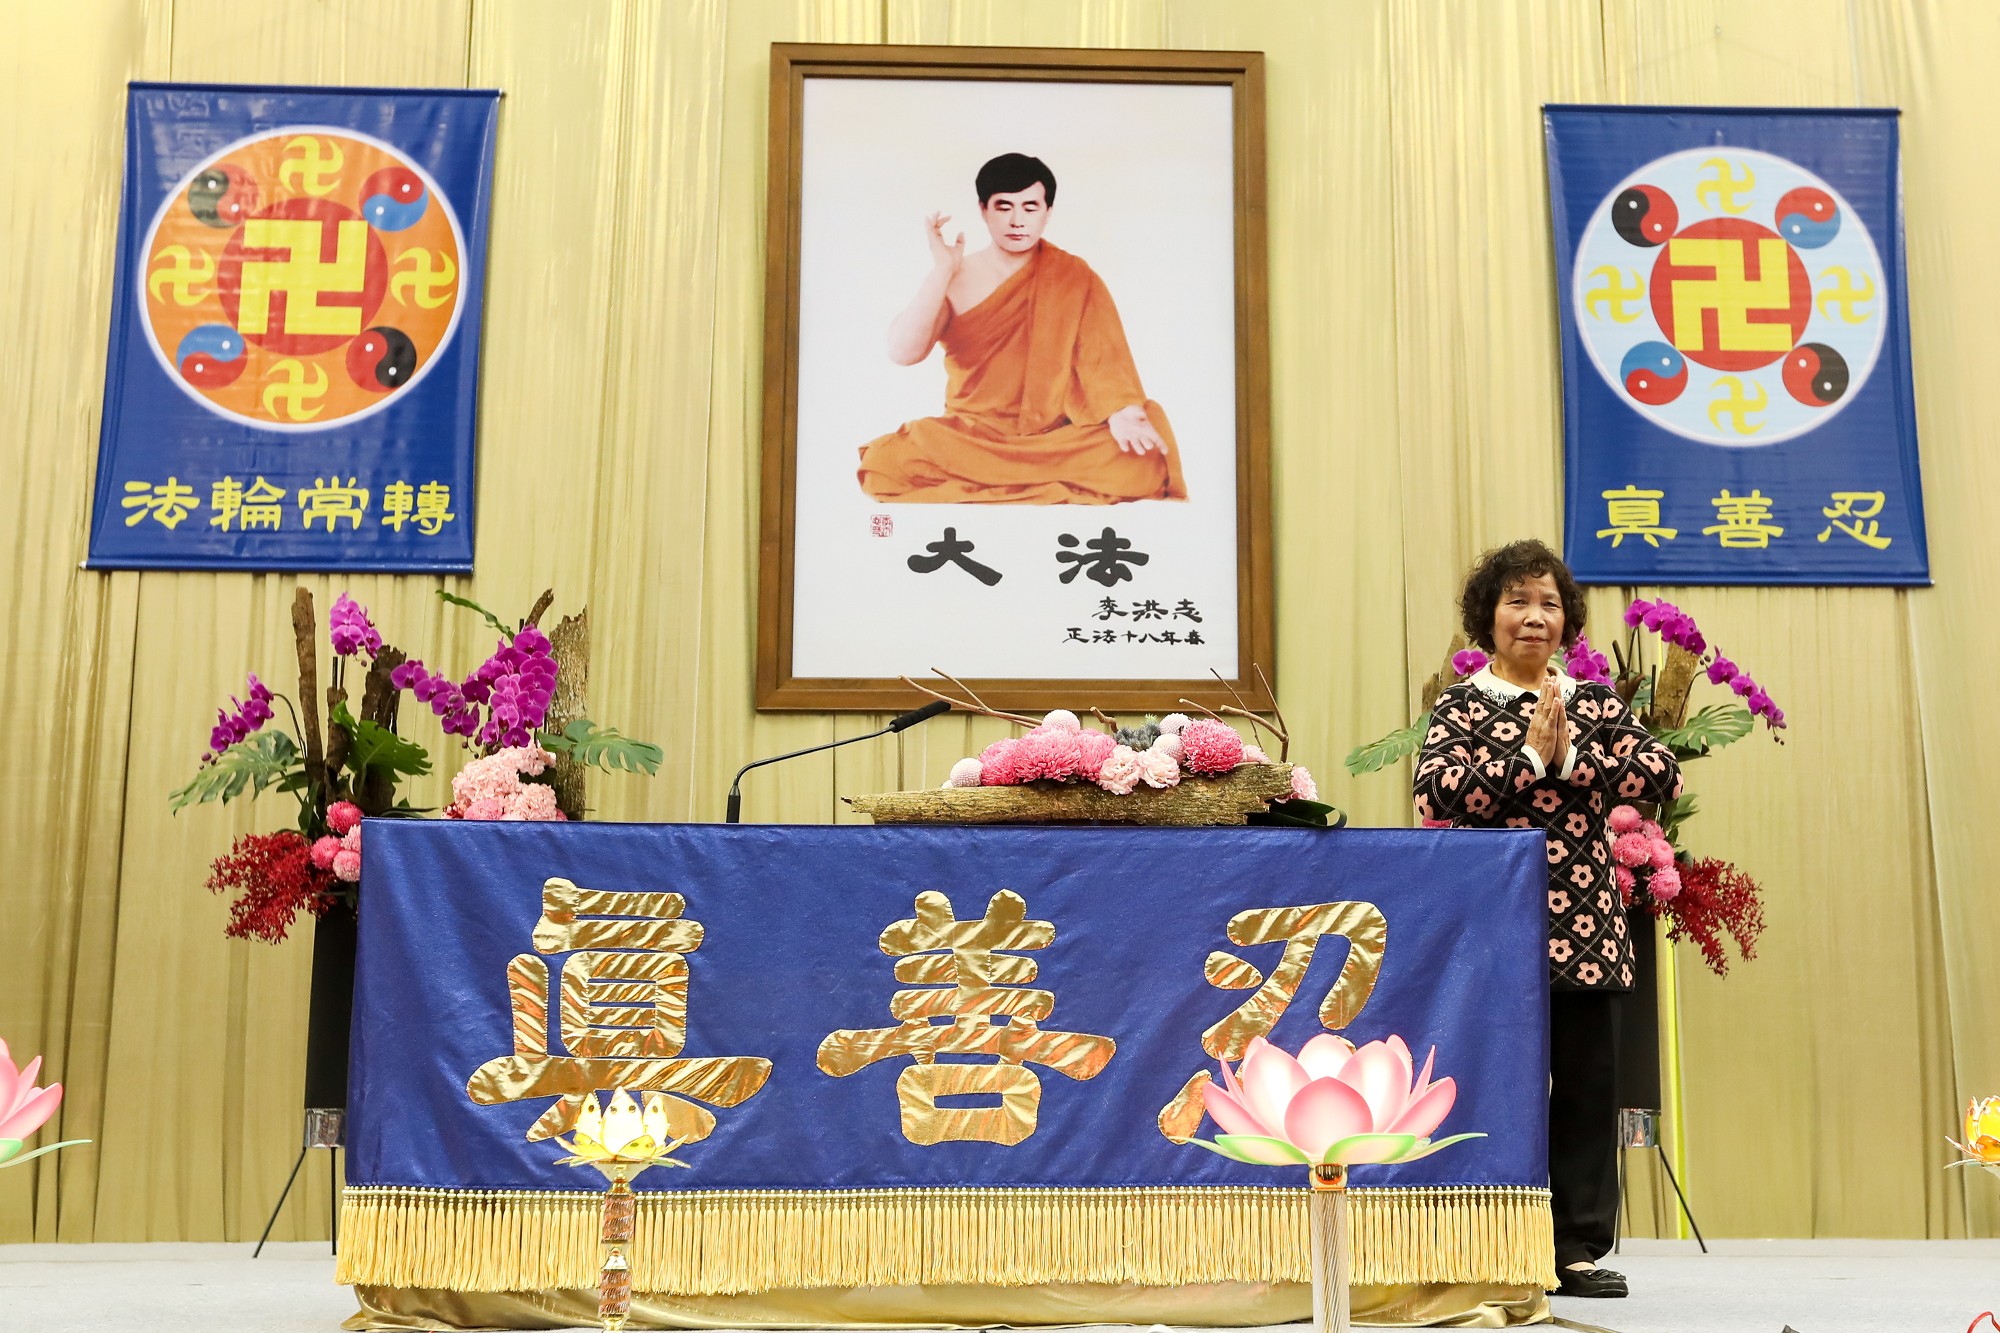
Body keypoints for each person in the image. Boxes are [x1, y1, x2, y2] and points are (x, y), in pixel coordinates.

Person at [1411, 539, 1681, 1301]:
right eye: (1518, 601)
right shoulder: (1462, 705)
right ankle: (1492, 1240)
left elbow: (1662, 773)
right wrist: (1526, 763)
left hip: (1588, 930)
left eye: (1549, 604)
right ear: (1488, 616)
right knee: (1496, 1084)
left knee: (1589, 1088)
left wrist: (1568, 762)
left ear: (1567, 621)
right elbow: (1435, 791)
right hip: (1494, 928)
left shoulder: (1591, 702)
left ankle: (1577, 1247)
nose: (1534, 617)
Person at [857, 152, 1189, 505]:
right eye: (1004, 207)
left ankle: (997, 480)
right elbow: (903, 352)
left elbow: (1103, 359)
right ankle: (1027, 480)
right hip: (971, 438)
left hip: (1053, 439)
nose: (1017, 221)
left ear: (1048, 212)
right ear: (984, 210)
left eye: (1030, 207)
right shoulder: (955, 277)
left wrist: (1122, 413)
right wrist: (941, 272)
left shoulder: (1073, 276)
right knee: (886, 462)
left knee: (1146, 451)